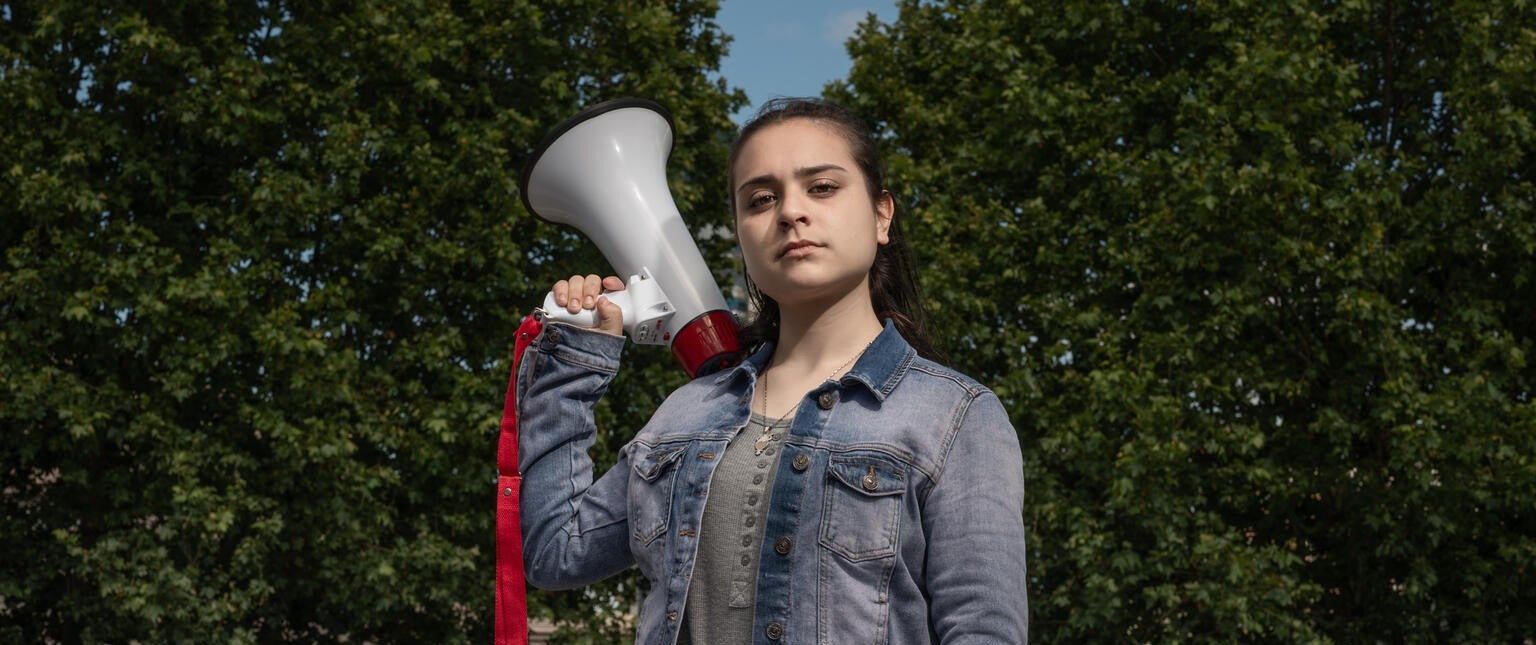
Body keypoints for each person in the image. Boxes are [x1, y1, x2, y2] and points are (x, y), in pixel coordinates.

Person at [516, 98, 1028, 644]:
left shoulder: (956, 416)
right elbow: (554, 554)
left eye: (822, 187)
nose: (790, 212)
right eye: (761, 199)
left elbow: (982, 630)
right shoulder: (686, 411)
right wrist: (573, 364)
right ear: (740, 232)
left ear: (882, 216)